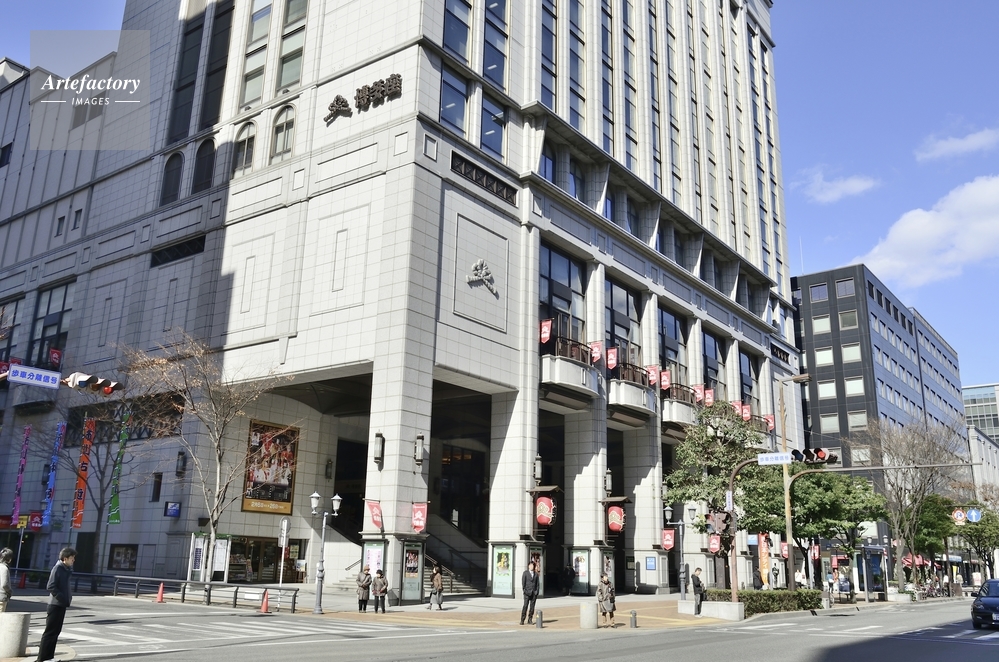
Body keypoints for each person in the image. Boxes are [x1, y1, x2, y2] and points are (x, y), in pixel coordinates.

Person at [37, 547, 76, 662]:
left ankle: (49, 657)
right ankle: (43, 658)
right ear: (65, 558)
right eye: (72, 558)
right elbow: (51, 586)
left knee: (55, 632)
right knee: (50, 632)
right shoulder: (58, 568)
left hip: (61, 604)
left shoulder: (65, 569)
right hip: (55, 605)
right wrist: (62, 598)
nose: (73, 560)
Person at [520, 561, 540, 625]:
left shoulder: (536, 574)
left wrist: (536, 592)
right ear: (528, 566)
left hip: (534, 593)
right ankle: (522, 619)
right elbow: (523, 583)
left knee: (532, 607)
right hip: (527, 592)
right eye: (530, 565)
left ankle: (530, 619)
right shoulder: (525, 573)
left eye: (532, 565)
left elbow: (537, 584)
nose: (531, 566)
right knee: (525, 606)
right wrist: (524, 590)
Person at [0, 548, 12, 612]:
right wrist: (9, 592)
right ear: (9, 559)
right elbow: (4, 584)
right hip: (1, 597)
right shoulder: (4, 568)